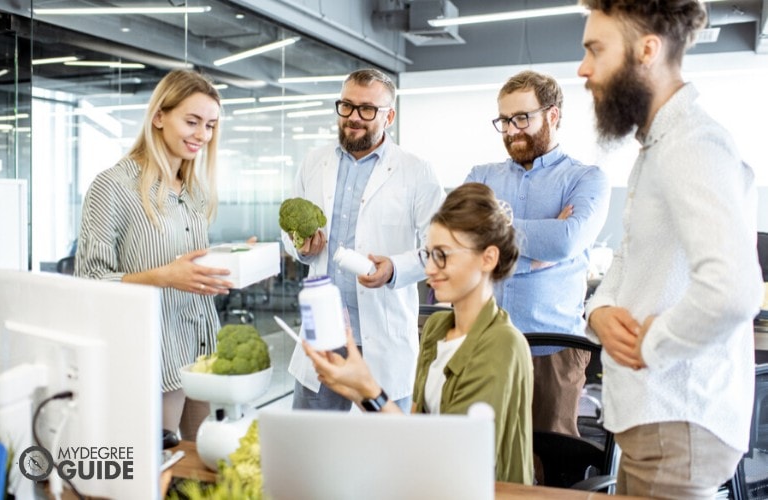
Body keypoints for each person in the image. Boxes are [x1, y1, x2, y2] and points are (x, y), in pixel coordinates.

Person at [578, 1, 764, 498]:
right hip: (655, 421)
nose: (584, 67)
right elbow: (631, 258)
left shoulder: (692, 144)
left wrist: (649, 345)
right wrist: (598, 311)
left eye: (596, 49)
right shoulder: (659, 144)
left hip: (676, 421)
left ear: (647, 50)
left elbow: (734, 290)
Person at [303, 182, 534, 484]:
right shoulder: (438, 329)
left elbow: (453, 463)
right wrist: (355, 389)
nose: (429, 270)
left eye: (443, 255)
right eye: (428, 255)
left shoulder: (502, 345)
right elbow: (414, 433)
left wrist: (369, 387)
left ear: (487, 258)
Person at [75, 69, 233, 441]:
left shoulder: (194, 189)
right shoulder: (112, 186)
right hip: (155, 355)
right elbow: (90, 281)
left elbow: (188, 263)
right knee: (157, 475)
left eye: (209, 125)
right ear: (159, 117)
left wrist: (234, 256)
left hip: (202, 350)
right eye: (192, 121)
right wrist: (163, 277)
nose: (202, 135)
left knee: (207, 475)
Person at [282, 68, 444, 412]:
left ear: (390, 116)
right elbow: (288, 231)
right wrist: (299, 246)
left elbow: (440, 250)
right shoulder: (314, 162)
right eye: (347, 106)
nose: (354, 118)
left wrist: (395, 269)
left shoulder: (417, 171)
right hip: (322, 332)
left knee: (384, 451)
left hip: (384, 339)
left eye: (367, 109)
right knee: (310, 448)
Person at [465, 70, 610, 437]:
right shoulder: (481, 175)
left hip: (555, 349)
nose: (512, 130)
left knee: (551, 462)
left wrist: (500, 246)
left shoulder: (586, 179)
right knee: (487, 457)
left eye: (522, 118)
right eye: (504, 120)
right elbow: (462, 239)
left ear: (553, 115)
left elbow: (566, 240)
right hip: (488, 344)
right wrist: (539, 255)